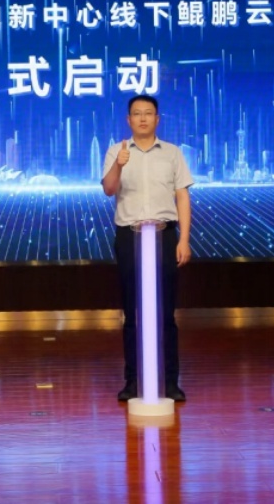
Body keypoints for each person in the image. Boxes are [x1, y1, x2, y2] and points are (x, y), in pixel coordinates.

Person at [102, 95, 193, 402]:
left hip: (164, 236)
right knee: (133, 313)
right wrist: (118, 164)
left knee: (166, 313)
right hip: (129, 236)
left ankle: (170, 382)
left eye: (148, 113)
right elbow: (109, 189)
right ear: (128, 120)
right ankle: (133, 381)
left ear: (157, 119)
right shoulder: (116, 150)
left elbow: (182, 197)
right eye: (137, 114)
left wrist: (184, 239)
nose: (142, 118)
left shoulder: (172, 153)